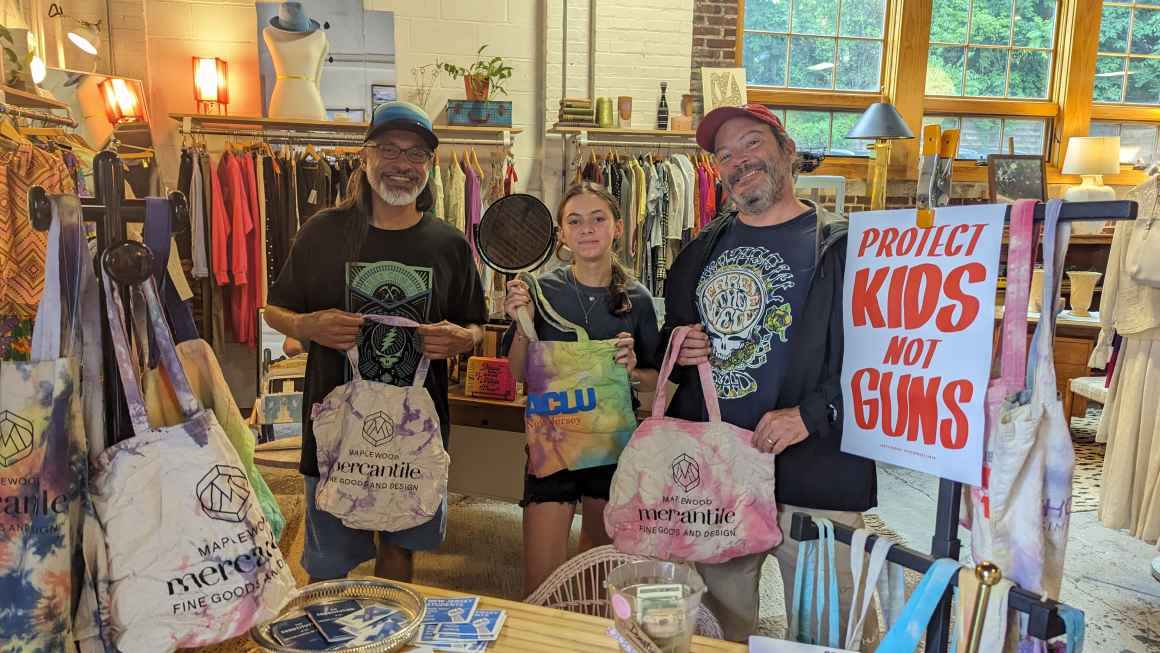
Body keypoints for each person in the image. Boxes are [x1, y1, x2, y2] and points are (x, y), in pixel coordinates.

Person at [660, 104, 877, 642]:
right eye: (724, 154)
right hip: (721, 477)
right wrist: (680, 348)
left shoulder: (851, 249)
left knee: (833, 631)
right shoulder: (696, 255)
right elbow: (677, 340)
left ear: (786, 150)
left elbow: (886, 360)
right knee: (717, 629)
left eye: (752, 144)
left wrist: (813, 413)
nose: (738, 161)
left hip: (817, 474)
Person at [266, 101, 487, 583]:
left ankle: (389, 632)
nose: (403, 164)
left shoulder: (448, 245)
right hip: (335, 423)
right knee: (329, 562)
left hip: (415, 426)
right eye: (389, 149)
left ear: (429, 166)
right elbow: (274, 308)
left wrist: (460, 338)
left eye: (417, 154)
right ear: (365, 156)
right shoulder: (322, 232)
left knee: (401, 550)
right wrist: (308, 327)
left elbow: (476, 324)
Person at [504, 182, 661, 596]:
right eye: (575, 221)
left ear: (617, 227)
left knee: (597, 581)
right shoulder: (538, 291)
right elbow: (519, 373)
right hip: (552, 443)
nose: (587, 229)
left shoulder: (639, 299)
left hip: (611, 448)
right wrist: (522, 323)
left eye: (598, 219)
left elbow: (655, 381)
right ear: (562, 234)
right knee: (540, 585)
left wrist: (633, 370)